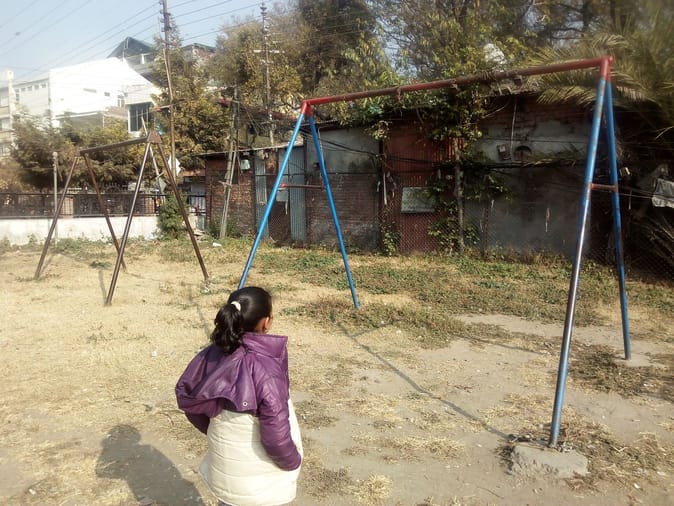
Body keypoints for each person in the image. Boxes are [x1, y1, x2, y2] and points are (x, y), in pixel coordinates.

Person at [175, 286, 302, 506]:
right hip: (259, 481)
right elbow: (275, 436)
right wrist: (292, 461)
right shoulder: (266, 370)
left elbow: (189, 400)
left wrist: (213, 430)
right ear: (266, 322)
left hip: (226, 467)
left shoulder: (212, 354)